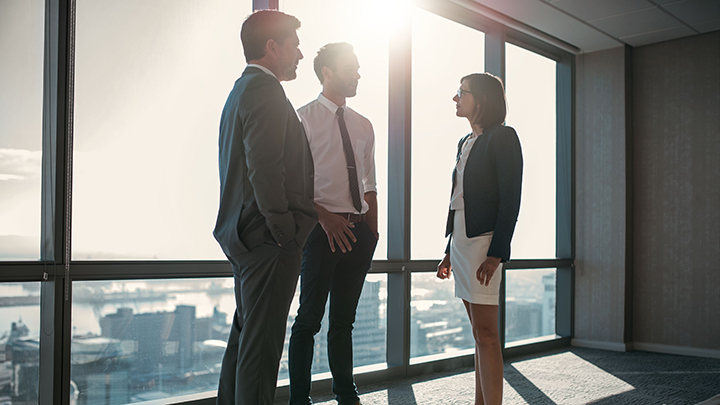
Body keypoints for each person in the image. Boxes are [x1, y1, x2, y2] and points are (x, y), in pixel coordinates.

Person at [213, 10, 317, 405]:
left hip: (244, 236)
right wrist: (285, 233)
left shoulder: (240, 91)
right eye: (295, 45)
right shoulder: (265, 91)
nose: (300, 55)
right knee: (261, 350)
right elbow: (265, 168)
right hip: (267, 240)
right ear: (272, 47)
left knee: (246, 341)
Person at [288, 42, 378, 405]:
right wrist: (325, 219)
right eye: (350, 67)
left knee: (344, 322)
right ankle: (299, 400)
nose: (358, 73)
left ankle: (347, 395)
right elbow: (291, 184)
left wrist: (372, 230)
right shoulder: (302, 119)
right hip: (321, 232)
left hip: (358, 233)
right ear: (327, 72)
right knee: (308, 320)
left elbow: (369, 183)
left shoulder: (363, 125)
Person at [436, 73, 523, 405]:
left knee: (486, 335)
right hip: (461, 243)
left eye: (461, 92)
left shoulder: (503, 137)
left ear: (481, 100)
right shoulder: (465, 141)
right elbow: (459, 201)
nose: (455, 98)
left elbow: (510, 199)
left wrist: (497, 253)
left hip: (484, 245)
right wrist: (448, 250)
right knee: (479, 335)